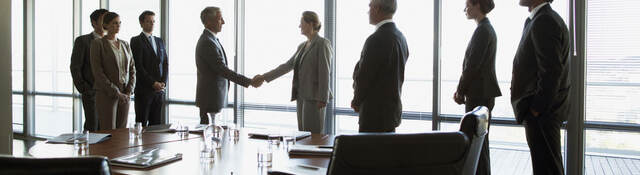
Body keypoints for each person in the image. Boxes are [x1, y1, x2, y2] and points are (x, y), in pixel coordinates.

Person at [511, 0, 571, 174]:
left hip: (542, 114)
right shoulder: (539, 19)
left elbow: (551, 71)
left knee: (547, 169)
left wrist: (536, 109)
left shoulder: (544, 21)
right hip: (543, 113)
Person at [254, 11, 333, 134]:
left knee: (313, 136)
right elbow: (287, 66)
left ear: (311, 23)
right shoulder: (302, 45)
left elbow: (325, 72)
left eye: (301, 23)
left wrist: (323, 98)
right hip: (301, 96)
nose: (299, 26)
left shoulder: (322, 43)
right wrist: (264, 77)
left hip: (315, 98)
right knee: (303, 134)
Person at [454, 0, 500, 174]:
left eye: (468, 5)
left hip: (479, 93)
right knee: (481, 144)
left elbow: (472, 66)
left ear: (478, 6)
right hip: (483, 92)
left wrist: (460, 91)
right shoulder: (485, 29)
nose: (465, 9)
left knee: (477, 145)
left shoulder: (483, 31)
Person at [196, 7, 262, 124]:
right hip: (210, 99)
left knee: (214, 136)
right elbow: (222, 69)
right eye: (220, 19)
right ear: (209, 22)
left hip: (213, 98)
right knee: (210, 135)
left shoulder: (211, 39)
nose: (223, 22)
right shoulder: (207, 42)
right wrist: (249, 81)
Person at [351, 0, 409, 133]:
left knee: (370, 153)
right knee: (386, 153)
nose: (368, 11)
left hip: (374, 114)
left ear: (377, 9)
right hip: (391, 112)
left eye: (370, 6)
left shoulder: (376, 39)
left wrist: (356, 100)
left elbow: (364, 76)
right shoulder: (401, 38)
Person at [90, 12, 136, 130]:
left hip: (125, 92)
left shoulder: (125, 44)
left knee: (122, 131)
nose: (118, 26)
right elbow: (98, 72)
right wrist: (116, 92)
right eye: (114, 23)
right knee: (108, 130)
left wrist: (129, 90)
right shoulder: (98, 44)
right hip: (106, 92)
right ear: (106, 25)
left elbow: (132, 69)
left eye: (119, 23)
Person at [70, 9, 108, 131]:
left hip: (110, 93)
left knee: (108, 128)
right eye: (103, 20)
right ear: (94, 23)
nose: (106, 23)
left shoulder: (113, 42)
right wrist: (85, 89)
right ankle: (90, 150)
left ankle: (106, 151)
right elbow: (75, 67)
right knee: (93, 126)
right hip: (92, 91)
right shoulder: (83, 41)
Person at [130, 10, 168, 127]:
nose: (151, 24)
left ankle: (155, 146)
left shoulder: (159, 41)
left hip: (159, 91)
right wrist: (153, 83)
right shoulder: (136, 41)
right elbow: (138, 66)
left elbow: (165, 63)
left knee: (156, 125)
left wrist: (163, 82)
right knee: (142, 124)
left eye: (153, 21)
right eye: (148, 21)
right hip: (144, 90)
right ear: (141, 23)